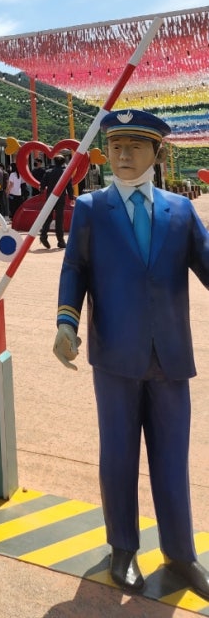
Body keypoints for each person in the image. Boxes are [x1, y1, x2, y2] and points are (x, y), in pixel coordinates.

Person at [53, 109, 209, 598]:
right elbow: (74, 268)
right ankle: (122, 549)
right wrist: (66, 322)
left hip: (170, 358)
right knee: (117, 455)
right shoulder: (92, 208)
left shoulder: (180, 212)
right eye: (116, 146)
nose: (122, 155)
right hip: (115, 355)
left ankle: (180, 554)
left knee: (171, 458)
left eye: (135, 147)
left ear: (157, 154)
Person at [39, 154, 71, 249]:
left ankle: (43, 235)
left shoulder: (48, 172)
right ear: (63, 163)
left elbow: (42, 185)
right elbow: (69, 186)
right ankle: (60, 241)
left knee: (48, 217)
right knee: (59, 219)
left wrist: (41, 190)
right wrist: (71, 197)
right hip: (60, 198)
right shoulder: (65, 173)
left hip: (50, 197)